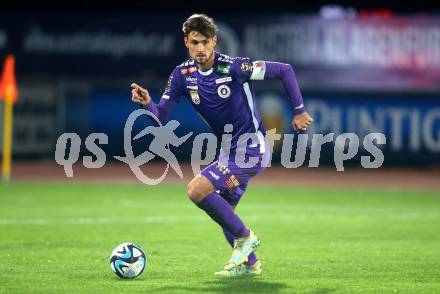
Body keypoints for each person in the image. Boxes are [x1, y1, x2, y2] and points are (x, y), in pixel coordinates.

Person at [131, 14, 313, 277]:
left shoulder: (235, 68)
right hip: (229, 153)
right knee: (225, 213)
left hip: (252, 149)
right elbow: (159, 116)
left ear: (215, 41)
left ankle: (246, 237)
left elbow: (284, 70)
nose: (201, 49)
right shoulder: (182, 75)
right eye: (195, 42)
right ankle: (250, 265)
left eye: (206, 42)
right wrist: (147, 102)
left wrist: (299, 110)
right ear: (186, 43)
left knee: (197, 190)